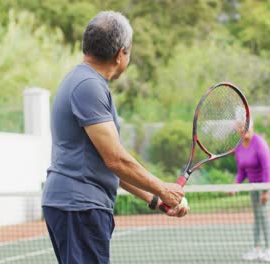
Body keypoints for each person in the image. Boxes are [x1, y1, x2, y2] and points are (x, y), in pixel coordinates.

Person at [41, 11, 189, 264]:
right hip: (81, 207)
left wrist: (155, 199)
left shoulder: (85, 82)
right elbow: (116, 160)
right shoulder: (88, 86)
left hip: (77, 206)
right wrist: (164, 189)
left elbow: (108, 164)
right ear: (121, 54)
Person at [233, 120, 270, 262]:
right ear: (237, 130)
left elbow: (268, 168)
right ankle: (256, 249)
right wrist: (235, 184)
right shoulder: (239, 148)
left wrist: (265, 190)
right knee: (257, 217)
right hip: (253, 185)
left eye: (246, 126)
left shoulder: (260, 144)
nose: (243, 129)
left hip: (267, 182)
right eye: (240, 127)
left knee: (264, 215)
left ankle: (269, 250)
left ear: (251, 127)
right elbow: (242, 171)